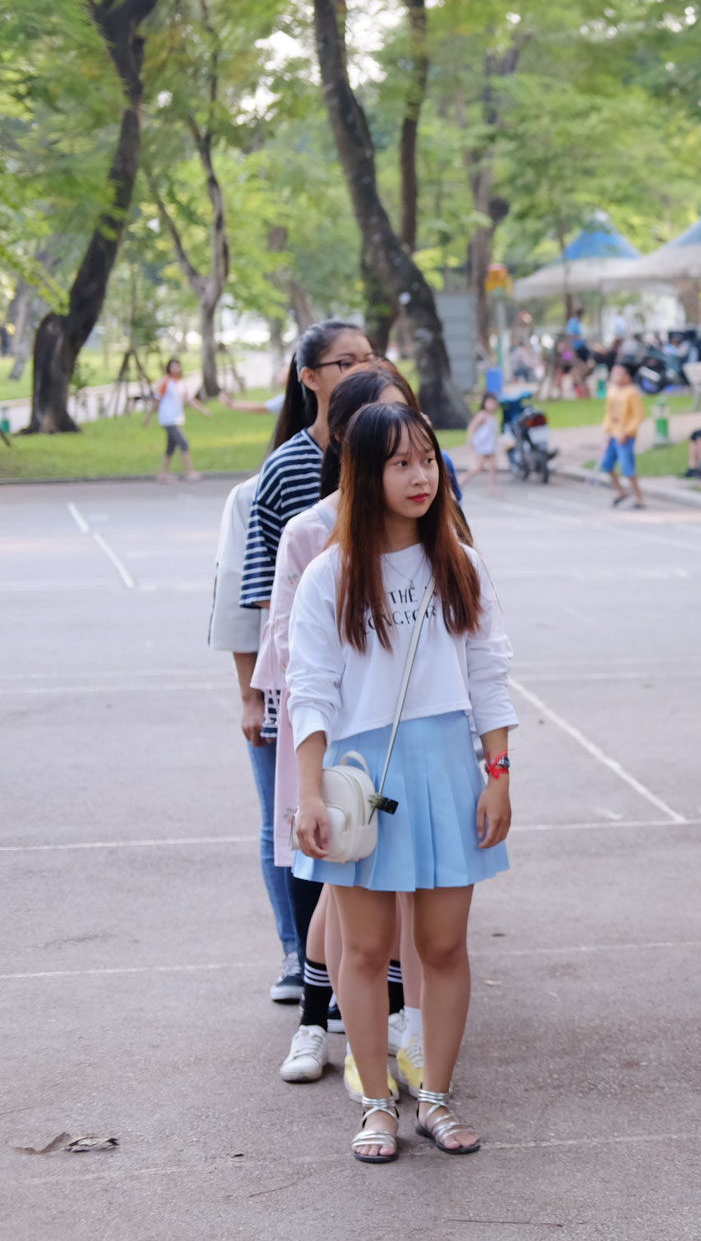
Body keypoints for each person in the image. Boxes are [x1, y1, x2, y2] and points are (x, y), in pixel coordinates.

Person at [290, 401, 516, 1163]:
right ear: (364, 473)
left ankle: (439, 1097)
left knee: (444, 944)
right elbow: (310, 687)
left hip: (450, 765)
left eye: (428, 459)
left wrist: (500, 772)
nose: (422, 476)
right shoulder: (330, 573)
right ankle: (377, 1104)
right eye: (401, 463)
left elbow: (490, 673)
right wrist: (309, 792)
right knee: (364, 949)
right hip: (360, 775)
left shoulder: (460, 560)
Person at [262, 364, 436, 1098]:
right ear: (352, 441)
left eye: (417, 442)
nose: (412, 461)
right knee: (338, 890)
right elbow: (285, 652)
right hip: (336, 741)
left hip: (418, 743)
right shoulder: (312, 533)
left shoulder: (439, 531)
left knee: (413, 905)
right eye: (389, 441)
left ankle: (408, 1033)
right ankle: (316, 1016)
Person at [242, 319, 376, 1076]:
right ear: (310, 377)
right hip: (313, 701)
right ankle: (314, 1005)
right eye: (346, 361)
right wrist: (257, 694)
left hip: (391, 713)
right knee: (312, 851)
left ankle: (389, 1015)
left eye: (370, 361)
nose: (361, 372)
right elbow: (267, 603)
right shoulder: (295, 492)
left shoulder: (419, 482)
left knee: (378, 863)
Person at [208, 473, 298, 1003]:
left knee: (363, 811)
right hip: (278, 685)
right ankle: (297, 952)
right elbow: (238, 599)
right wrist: (251, 696)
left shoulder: (389, 473)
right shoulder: (256, 491)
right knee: (280, 817)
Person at [154, 357, 213, 482]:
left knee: (171, 446)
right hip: (168, 419)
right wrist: (148, 417)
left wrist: (204, 410)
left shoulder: (181, 383)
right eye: (173, 366)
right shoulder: (165, 382)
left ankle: (162, 474)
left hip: (177, 418)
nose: (175, 368)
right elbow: (157, 400)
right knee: (183, 443)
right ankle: (191, 472)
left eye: (177, 366)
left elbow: (190, 400)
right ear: (169, 367)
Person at [601, 364, 647, 510]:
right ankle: (621, 491)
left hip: (625, 436)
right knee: (607, 464)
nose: (615, 377)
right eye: (614, 373)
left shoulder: (631, 392)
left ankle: (640, 499)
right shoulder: (612, 391)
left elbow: (638, 416)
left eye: (619, 374)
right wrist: (607, 433)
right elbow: (609, 414)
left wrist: (627, 433)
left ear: (627, 377)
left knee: (627, 468)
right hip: (613, 434)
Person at [462, 393, 501, 495]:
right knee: (478, 467)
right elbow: (472, 427)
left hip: (490, 445)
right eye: (489, 402)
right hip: (483, 446)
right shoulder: (482, 415)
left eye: (493, 402)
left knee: (493, 466)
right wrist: (470, 440)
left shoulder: (493, 416)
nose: (492, 404)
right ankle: (460, 481)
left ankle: (492, 486)